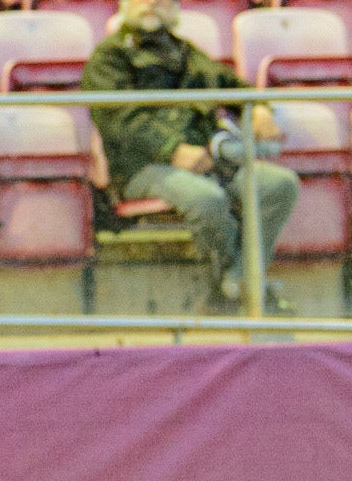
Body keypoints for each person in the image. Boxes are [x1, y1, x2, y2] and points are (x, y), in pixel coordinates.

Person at [83, 0, 299, 311]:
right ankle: (239, 288)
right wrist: (172, 150)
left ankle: (238, 281)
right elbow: (118, 121)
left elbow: (231, 84)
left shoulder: (186, 52)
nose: (153, 4)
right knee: (206, 199)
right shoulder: (109, 57)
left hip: (207, 160)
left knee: (280, 185)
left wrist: (259, 108)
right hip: (144, 168)